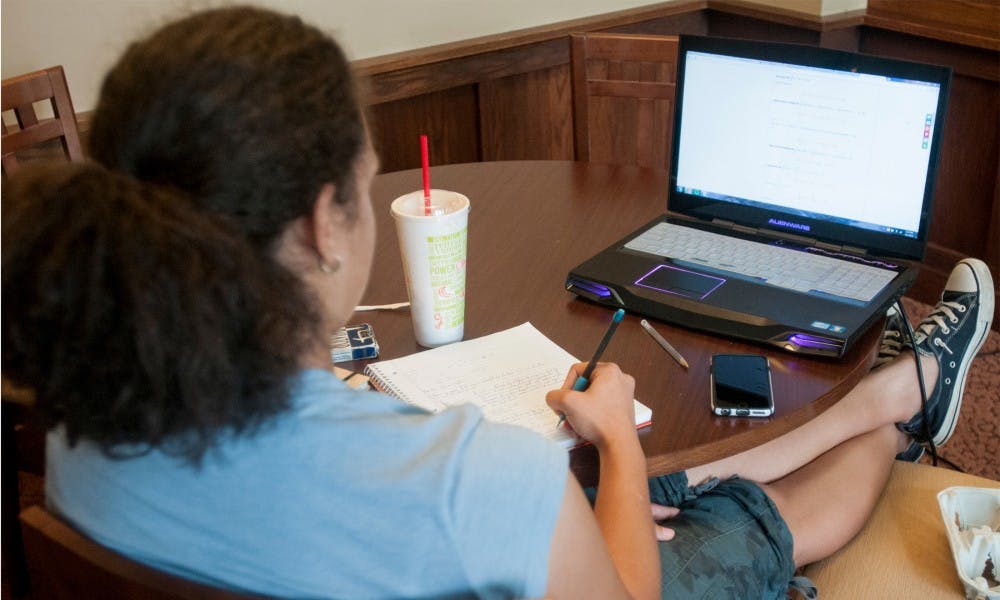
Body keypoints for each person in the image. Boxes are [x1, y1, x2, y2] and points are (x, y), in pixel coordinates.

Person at [1, 6, 994, 599]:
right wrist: (611, 448)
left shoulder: (76, 439)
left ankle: (877, 401)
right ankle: (890, 413)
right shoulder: (481, 479)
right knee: (738, 515)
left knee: (641, 488)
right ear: (320, 223)